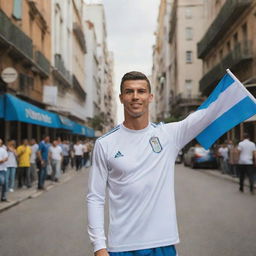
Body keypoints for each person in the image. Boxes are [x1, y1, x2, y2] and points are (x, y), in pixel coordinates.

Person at [88, 71, 251, 256]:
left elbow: (206, 114)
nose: (135, 97)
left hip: (163, 244)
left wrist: (236, 90)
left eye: (141, 91)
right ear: (121, 97)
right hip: (122, 246)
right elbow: (95, 197)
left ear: (150, 97)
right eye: (129, 91)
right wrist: (99, 247)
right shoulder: (105, 144)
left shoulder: (169, 135)